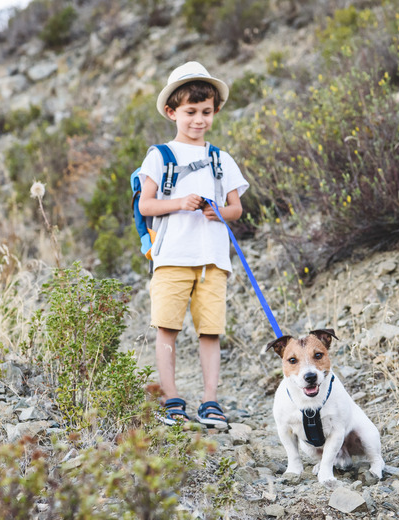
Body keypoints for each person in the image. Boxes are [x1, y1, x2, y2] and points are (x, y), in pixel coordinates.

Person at [137, 61, 248, 429]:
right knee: (167, 327)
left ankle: (210, 401)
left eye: (205, 112)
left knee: (210, 331)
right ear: (172, 112)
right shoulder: (160, 155)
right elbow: (146, 204)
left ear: (214, 112)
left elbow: (237, 208)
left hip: (213, 260)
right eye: (190, 112)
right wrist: (179, 203)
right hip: (171, 258)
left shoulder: (221, 158)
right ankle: (171, 399)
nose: (198, 120)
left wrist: (220, 212)